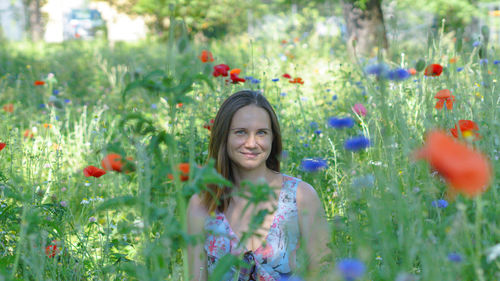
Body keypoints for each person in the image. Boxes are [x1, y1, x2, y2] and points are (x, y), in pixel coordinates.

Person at [187, 90, 331, 281]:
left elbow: (324, 272)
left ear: (273, 138)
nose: (252, 143)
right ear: (224, 136)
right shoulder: (202, 204)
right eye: (241, 132)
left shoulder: (300, 196)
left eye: (261, 133)